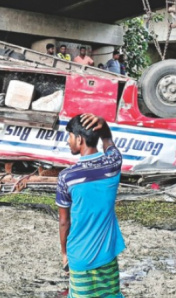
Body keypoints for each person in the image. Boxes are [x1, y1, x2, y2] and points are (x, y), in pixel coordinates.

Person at [56, 114, 125, 298]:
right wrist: (104, 126)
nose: (68, 141)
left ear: (79, 139)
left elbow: (64, 222)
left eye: (69, 136)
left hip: (80, 255)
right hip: (107, 253)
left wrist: (64, 254)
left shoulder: (67, 177)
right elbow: (108, 140)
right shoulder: (113, 164)